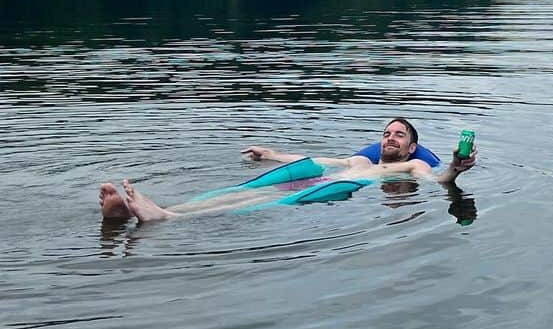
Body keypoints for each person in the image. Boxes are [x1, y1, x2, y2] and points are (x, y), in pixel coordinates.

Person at [99, 117, 476, 223]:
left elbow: (438, 180)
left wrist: (454, 171)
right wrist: (272, 153)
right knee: (244, 191)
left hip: (326, 190)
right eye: (386, 133)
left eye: (399, 135)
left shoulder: (412, 165)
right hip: (319, 178)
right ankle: (142, 211)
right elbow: (318, 159)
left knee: (257, 202)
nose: (390, 138)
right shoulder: (361, 160)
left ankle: (163, 217)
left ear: (412, 146)